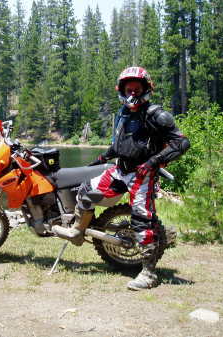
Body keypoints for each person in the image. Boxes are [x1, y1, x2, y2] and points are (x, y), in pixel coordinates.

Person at [52, 66, 190, 290]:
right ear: (122, 90)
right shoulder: (124, 113)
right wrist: (100, 158)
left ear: (146, 89)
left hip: (142, 175)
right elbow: (120, 145)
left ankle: (148, 273)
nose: (133, 93)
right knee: (85, 192)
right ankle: (78, 231)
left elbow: (181, 143)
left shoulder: (156, 114)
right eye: (129, 89)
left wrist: (153, 162)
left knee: (142, 220)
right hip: (120, 169)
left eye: (137, 88)